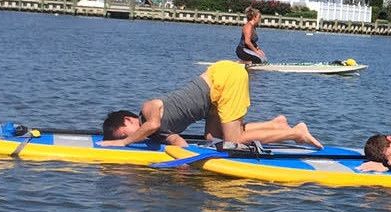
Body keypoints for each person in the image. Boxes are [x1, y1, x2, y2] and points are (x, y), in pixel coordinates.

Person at [99, 60, 322, 148]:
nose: (124, 138)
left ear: (129, 119)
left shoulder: (147, 109)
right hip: (213, 101)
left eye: (123, 133)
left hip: (222, 80)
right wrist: (182, 167)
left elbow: (153, 124)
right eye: (121, 138)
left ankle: (295, 133)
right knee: (212, 139)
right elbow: (179, 142)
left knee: (233, 141)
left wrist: (124, 143)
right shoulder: (155, 136)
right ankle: (276, 125)